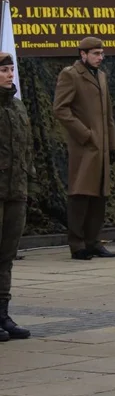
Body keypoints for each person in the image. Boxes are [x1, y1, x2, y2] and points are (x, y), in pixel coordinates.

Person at [52, 37, 115, 260]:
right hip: (84, 147)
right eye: (95, 54)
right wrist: (85, 134)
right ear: (83, 54)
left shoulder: (100, 75)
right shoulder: (70, 74)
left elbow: (107, 114)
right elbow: (61, 109)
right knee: (80, 196)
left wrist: (113, 144)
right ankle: (77, 244)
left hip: (100, 146)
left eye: (101, 53)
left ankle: (93, 242)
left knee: (99, 197)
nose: (100, 58)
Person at [0, 52, 32, 341]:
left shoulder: (18, 107)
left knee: (7, 255)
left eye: (11, 70)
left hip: (15, 190)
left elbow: (27, 149)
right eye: (4, 70)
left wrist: (27, 181)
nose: (10, 75)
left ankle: (3, 314)